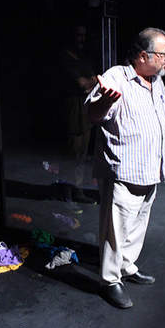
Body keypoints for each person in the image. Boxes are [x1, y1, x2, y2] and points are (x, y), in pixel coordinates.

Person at [85, 27, 165, 309]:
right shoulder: (116, 77)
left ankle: (126, 265)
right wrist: (105, 101)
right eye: (163, 54)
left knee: (137, 225)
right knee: (115, 229)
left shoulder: (157, 81)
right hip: (123, 170)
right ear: (143, 56)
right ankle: (110, 280)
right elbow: (92, 114)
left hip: (150, 168)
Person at [57, 23, 97, 204]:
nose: (82, 39)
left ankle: (77, 190)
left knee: (82, 152)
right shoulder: (65, 58)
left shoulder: (83, 58)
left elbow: (94, 81)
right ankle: (66, 191)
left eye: (83, 35)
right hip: (72, 108)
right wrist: (89, 83)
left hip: (85, 107)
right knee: (72, 151)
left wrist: (89, 83)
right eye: (78, 35)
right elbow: (83, 84)